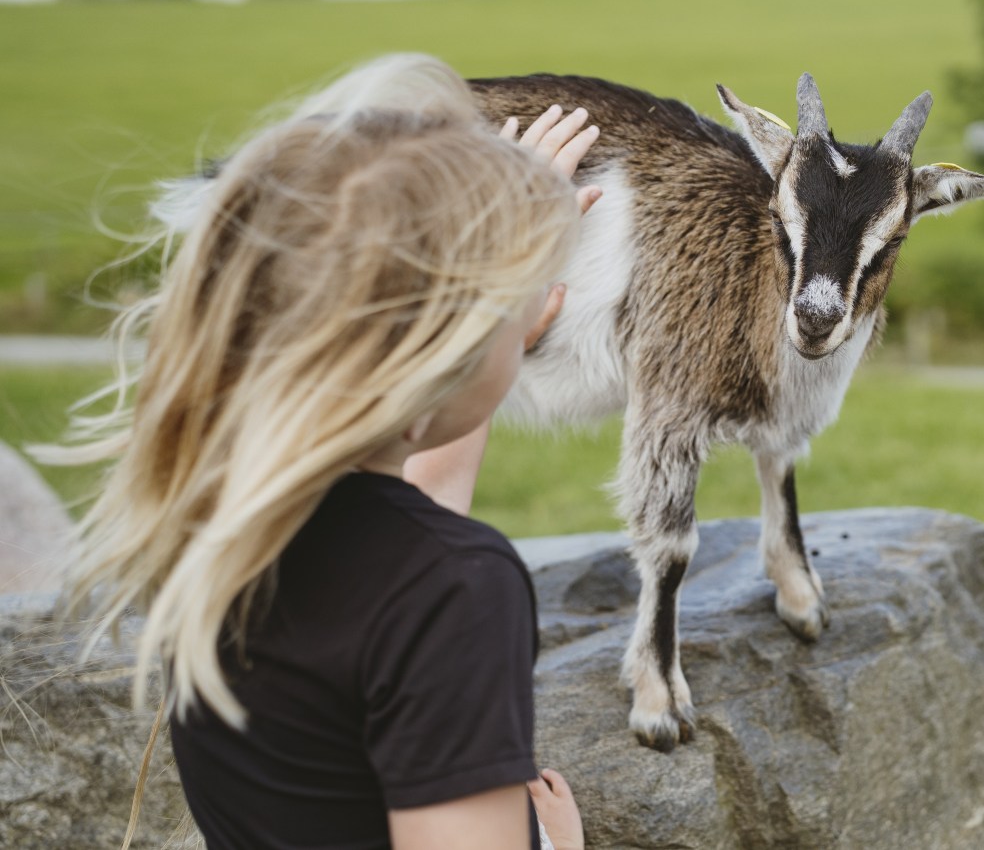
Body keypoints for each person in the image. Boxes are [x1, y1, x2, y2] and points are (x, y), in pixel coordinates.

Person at [26, 53, 600, 849]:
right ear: (438, 354)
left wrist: (495, 267)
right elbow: (418, 579)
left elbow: (396, 551)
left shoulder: (215, 514)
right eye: (513, 301)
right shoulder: (459, 589)